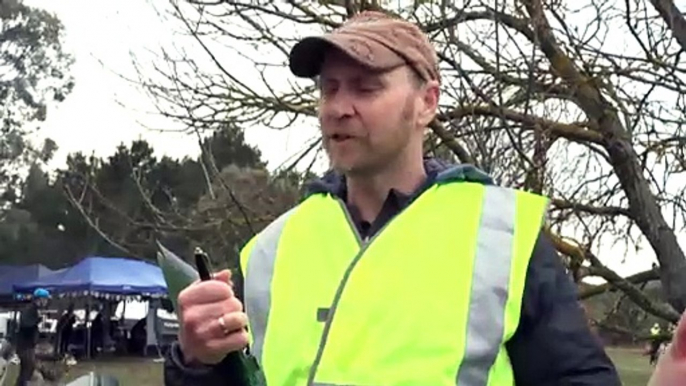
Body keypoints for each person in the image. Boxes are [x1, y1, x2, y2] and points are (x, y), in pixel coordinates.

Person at [163, 11, 622, 386]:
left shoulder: (501, 235)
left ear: (427, 102)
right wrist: (195, 358)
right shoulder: (270, 250)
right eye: (329, 88)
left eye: (366, 87)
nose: (339, 107)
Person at [15, 288, 49, 386]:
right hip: (25, 346)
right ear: (40, 299)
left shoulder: (34, 309)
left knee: (27, 371)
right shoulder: (30, 309)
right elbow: (25, 323)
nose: (46, 302)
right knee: (27, 370)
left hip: (28, 345)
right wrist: (38, 320)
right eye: (45, 299)